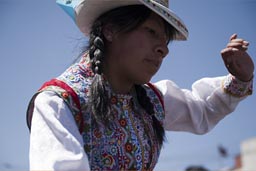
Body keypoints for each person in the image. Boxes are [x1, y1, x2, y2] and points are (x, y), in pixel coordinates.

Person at [26, 0, 254, 170]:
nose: (163, 49)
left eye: (165, 42)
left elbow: (203, 108)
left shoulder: (151, 101)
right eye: (151, 31)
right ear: (110, 30)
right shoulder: (58, 102)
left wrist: (240, 78)